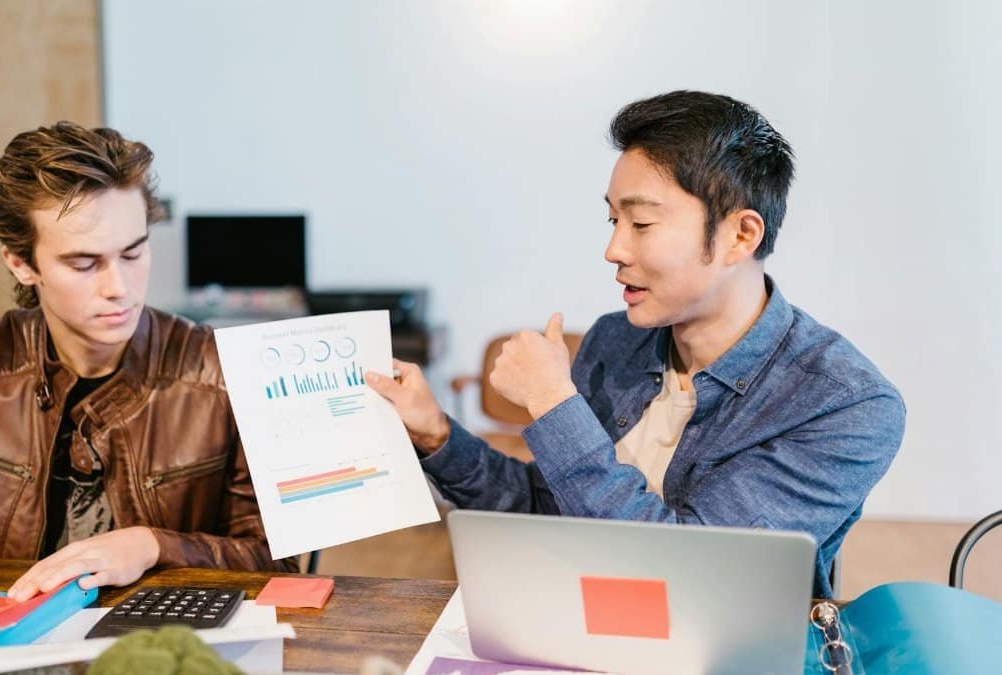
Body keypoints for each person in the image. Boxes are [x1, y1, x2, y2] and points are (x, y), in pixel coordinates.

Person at [367, 91, 904, 597]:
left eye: (642, 222)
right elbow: (551, 508)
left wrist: (554, 405)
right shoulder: (616, 339)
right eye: (613, 218)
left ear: (742, 235)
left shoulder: (846, 405)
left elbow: (686, 575)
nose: (614, 248)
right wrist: (434, 432)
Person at [0, 121, 295, 625]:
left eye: (133, 252)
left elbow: (275, 559)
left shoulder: (219, 369)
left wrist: (151, 545)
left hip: (163, 644)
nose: (119, 287)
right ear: (21, 263)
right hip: (1, 643)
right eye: (85, 264)